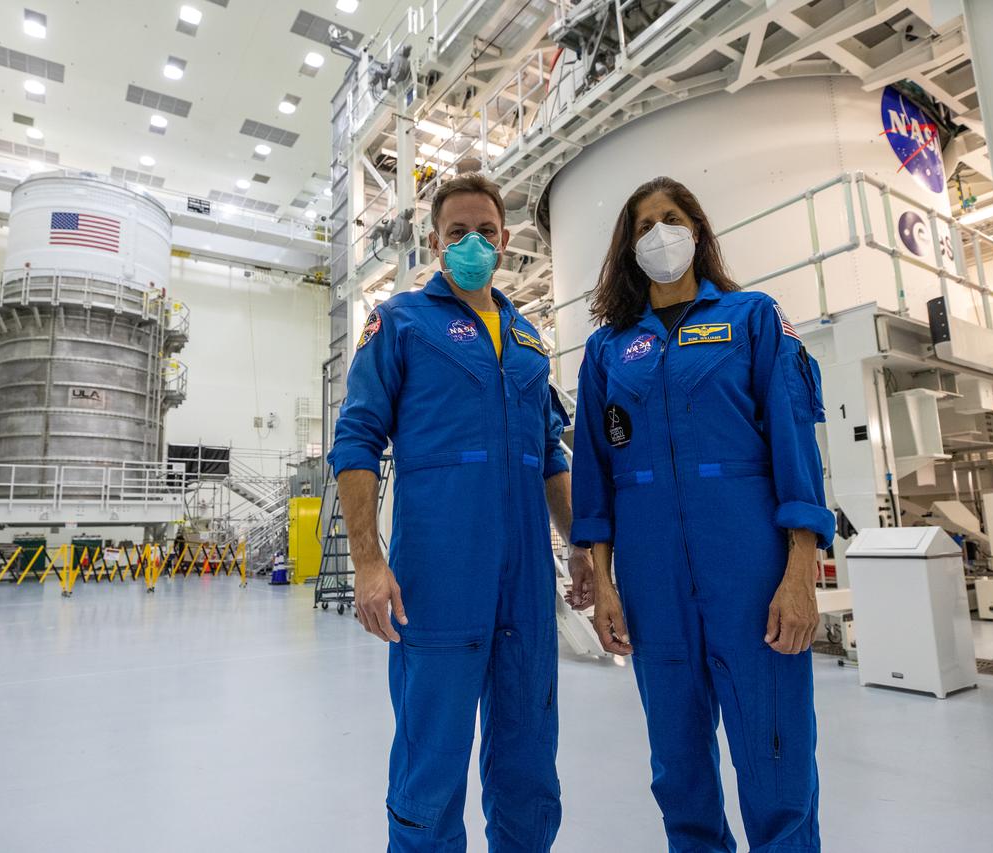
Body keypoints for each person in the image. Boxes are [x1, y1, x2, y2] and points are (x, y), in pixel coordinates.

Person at [570, 177, 834, 852]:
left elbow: (795, 448)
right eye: (643, 225)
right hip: (654, 587)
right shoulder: (607, 351)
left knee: (778, 770)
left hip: (751, 576)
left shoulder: (753, 319)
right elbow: (596, 477)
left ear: (698, 230)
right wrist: (603, 584)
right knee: (679, 776)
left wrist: (801, 571)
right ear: (627, 248)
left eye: (672, 218)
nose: (659, 233)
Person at [329, 172, 589, 852]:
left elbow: (550, 459)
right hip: (438, 580)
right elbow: (356, 439)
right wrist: (367, 562)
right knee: (431, 768)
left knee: (530, 768)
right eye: (456, 232)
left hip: (526, 588)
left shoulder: (530, 341)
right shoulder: (403, 322)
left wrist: (583, 546)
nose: (471, 242)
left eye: (484, 231)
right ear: (435, 242)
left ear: (504, 241)